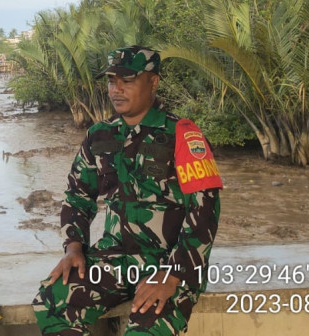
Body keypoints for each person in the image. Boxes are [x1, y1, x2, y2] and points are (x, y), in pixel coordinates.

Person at [33, 46, 223, 335]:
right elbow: (78, 196)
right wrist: (73, 247)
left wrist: (174, 274)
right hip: (113, 260)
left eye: (127, 81)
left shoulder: (183, 134)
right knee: (52, 299)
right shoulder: (99, 134)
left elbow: (205, 212)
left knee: (145, 330)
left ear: (153, 82)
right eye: (111, 81)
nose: (116, 89)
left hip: (169, 264)